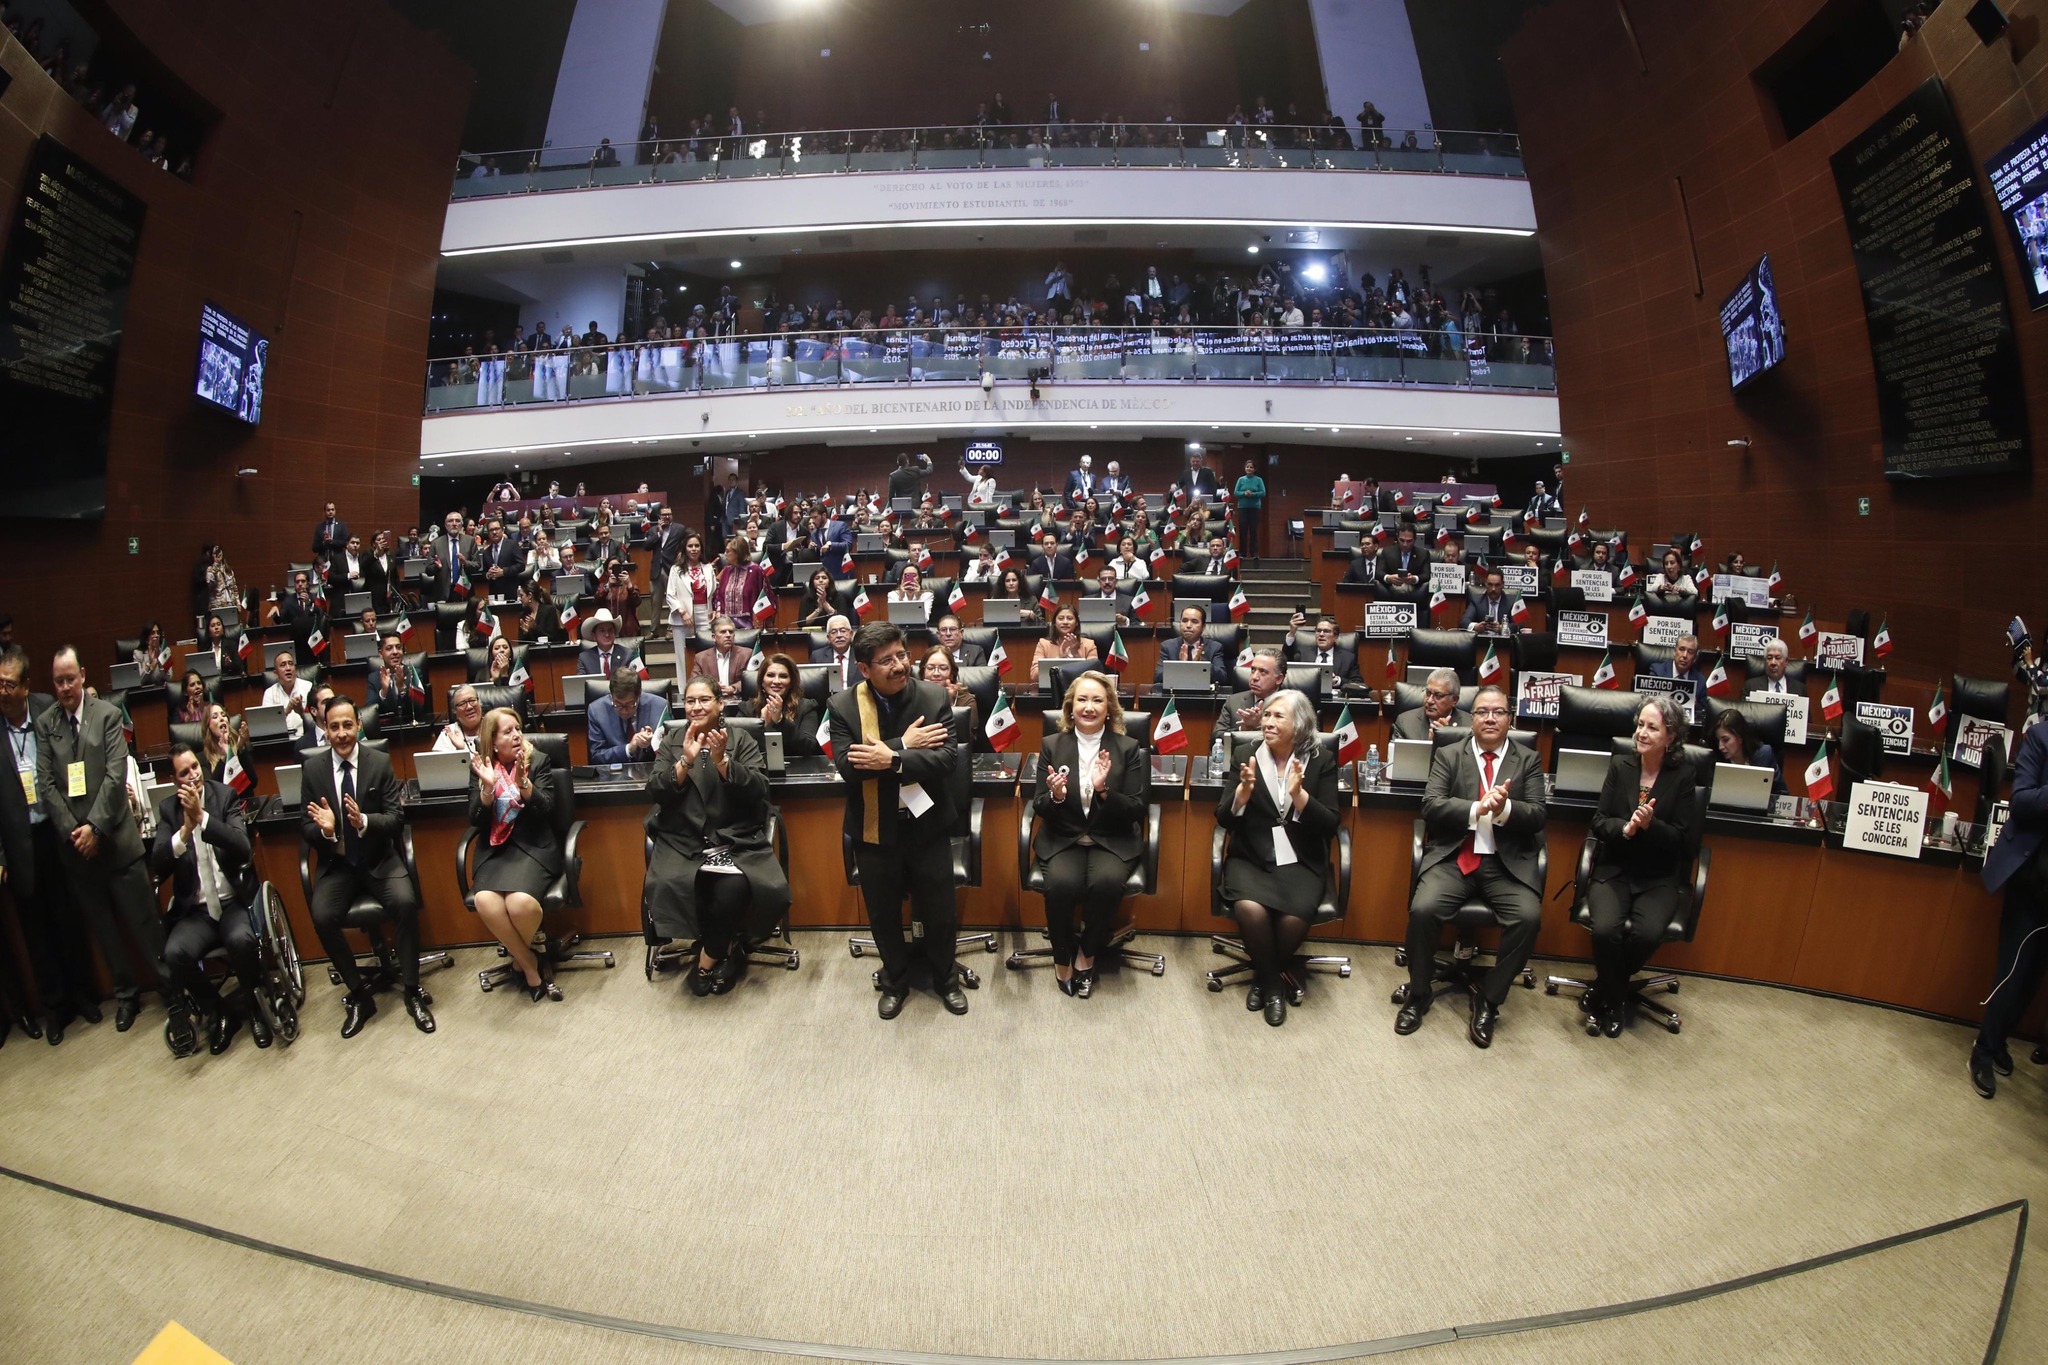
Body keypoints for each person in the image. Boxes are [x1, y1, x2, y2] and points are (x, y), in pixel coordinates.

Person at [1398, 684, 1546, 1048]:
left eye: (1498, 712)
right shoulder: (1450, 754)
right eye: (1482, 712)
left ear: (1510, 719)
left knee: (1528, 918)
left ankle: (1489, 1001)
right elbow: (1430, 806)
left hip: (1504, 863)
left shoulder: (1528, 760)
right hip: (1455, 856)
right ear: (1471, 718)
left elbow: (1539, 815)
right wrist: (1477, 808)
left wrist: (1504, 809)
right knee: (1424, 908)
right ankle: (1419, 993)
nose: (1490, 718)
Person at [829, 622, 965, 1018]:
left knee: (939, 912)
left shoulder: (933, 695)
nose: (899, 665)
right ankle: (895, 981)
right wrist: (905, 746)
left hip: (927, 824)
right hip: (874, 828)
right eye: (886, 660)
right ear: (864, 668)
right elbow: (848, 766)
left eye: (902, 655)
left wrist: (888, 759)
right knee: (884, 914)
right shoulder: (842, 706)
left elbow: (946, 760)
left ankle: (947, 980)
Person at [38, 646, 165, 1034]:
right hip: (79, 853)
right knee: (106, 932)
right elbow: (46, 785)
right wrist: (76, 834)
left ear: (82, 675)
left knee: (144, 923)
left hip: (117, 844)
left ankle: (172, 986)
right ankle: (127, 996)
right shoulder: (46, 724)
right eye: (58, 681)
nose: (64, 687)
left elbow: (115, 777)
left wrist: (95, 828)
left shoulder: (107, 715)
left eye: (70, 679)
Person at [646, 676, 792, 996]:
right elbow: (655, 790)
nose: (696, 707)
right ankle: (729, 953)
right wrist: (684, 761)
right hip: (684, 841)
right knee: (668, 883)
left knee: (735, 887)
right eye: (690, 701)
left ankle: (707, 961)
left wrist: (722, 760)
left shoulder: (740, 738)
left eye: (703, 700)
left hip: (734, 839)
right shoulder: (672, 740)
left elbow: (758, 790)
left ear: (720, 703)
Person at [299, 696, 433, 1038]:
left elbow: (395, 819)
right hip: (338, 865)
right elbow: (305, 827)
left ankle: (412, 989)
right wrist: (325, 830)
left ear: (359, 725)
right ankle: (359, 995)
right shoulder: (313, 770)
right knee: (321, 917)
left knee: (405, 904)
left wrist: (362, 823)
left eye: (347, 725)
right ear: (324, 730)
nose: (342, 733)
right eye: (334, 727)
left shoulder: (379, 763)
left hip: (378, 860)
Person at [1215, 688, 1342, 1026]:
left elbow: (1330, 824)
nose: (1267, 722)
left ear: (1299, 725)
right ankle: (1273, 986)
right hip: (1252, 856)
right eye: (1266, 715)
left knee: (1292, 919)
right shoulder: (1246, 752)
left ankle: (1261, 977)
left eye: (1277, 716)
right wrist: (1241, 795)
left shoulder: (1321, 760)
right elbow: (1224, 818)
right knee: (1249, 908)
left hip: (1302, 858)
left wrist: (1299, 796)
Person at [1584, 695, 1700, 1037]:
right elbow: (1598, 821)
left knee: (1647, 934)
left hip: (1658, 877)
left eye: (1652, 727)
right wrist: (1626, 829)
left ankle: (1605, 990)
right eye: (1640, 725)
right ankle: (1617, 999)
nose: (1642, 733)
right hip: (1614, 869)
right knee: (1605, 930)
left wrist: (1651, 827)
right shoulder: (1621, 766)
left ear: (1671, 736)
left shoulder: (1684, 777)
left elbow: (1685, 842)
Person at [0, 646, 99, 1045]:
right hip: (19, 844)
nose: (1, 691)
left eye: (8, 684)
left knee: (68, 918)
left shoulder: (47, 710)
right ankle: (55, 1009)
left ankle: (84, 996)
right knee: (36, 930)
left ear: (25, 686)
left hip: (57, 832)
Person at [1030, 671, 1146, 998]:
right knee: (1061, 885)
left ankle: (1088, 953)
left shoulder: (1127, 747)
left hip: (1111, 839)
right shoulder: (1052, 745)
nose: (1089, 707)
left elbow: (1137, 808)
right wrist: (1054, 796)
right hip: (1063, 837)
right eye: (1082, 699)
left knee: (1106, 883)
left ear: (1109, 707)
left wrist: (1104, 790)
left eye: (1097, 700)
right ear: (1070, 707)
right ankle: (1061, 955)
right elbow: (1039, 805)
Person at [150, 744, 267, 1056]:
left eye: (195, 768)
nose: (193, 776)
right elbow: (158, 862)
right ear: (175, 780)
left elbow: (242, 847)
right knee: (175, 953)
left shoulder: (223, 796)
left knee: (242, 941)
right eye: (184, 773)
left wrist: (202, 819)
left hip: (232, 903)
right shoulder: (168, 811)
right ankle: (219, 1011)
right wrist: (184, 832)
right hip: (197, 912)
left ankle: (256, 1009)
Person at [464, 707, 564, 1002]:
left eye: (518, 729)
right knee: (485, 900)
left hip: (534, 847)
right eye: (508, 732)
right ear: (493, 742)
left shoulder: (539, 760)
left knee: (520, 905)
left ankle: (520, 962)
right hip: (495, 850)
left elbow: (547, 808)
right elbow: (475, 819)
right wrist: (486, 788)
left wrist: (524, 783)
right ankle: (531, 963)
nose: (517, 735)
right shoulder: (481, 766)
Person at [1971, 719, 2048, 1098]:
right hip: (2032, 876)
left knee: (2035, 977)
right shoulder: (2041, 736)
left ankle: (2000, 1041)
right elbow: (2022, 801)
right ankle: (1983, 1050)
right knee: (2014, 971)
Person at [747, 652, 823, 757]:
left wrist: (781, 721)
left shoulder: (806, 707)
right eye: (770, 675)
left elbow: (809, 748)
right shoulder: (747, 708)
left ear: (791, 682)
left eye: (783, 676)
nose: (777, 681)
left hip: (797, 769)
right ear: (762, 681)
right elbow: (742, 749)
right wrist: (762, 726)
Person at [1709, 709, 1783, 795]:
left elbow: (1781, 794)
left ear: (1740, 737)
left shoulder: (1764, 755)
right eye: (1718, 741)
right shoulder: (1714, 760)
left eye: (1726, 740)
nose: (1720, 747)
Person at [1156, 604, 1229, 688]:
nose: (1188, 625)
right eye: (1184, 620)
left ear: (1203, 627)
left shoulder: (1214, 647)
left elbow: (1223, 678)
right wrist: (1180, 665)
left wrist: (1201, 664)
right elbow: (1157, 678)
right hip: (1176, 694)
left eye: (1194, 621)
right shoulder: (1168, 646)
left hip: (1204, 696)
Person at [366, 632, 426, 727]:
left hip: (411, 728)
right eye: (389, 648)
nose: (395, 652)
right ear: (381, 653)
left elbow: (419, 709)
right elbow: (370, 713)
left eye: (398, 647)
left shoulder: (413, 673)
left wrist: (402, 688)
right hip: (387, 731)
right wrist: (384, 692)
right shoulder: (373, 678)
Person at [1394, 667, 1470, 740]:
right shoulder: (1405, 722)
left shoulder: (1469, 726)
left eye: (1438, 695)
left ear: (1454, 700)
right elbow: (1398, 753)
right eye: (1428, 693)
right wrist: (1430, 745)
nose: (1430, 701)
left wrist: (1447, 737)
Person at [665, 531, 715, 641]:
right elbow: (670, 595)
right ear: (685, 549)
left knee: (705, 654)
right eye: (690, 546)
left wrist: (715, 609)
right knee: (683, 655)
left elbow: (714, 593)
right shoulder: (676, 569)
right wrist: (682, 612)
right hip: (682, 617)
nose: (694, 549)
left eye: (697, 546)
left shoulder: (708, 568)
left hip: (705, 616)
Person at [690, 614, 753, 700]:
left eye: (731, 632)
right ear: (713, 637)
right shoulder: (701, 658)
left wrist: (732, 688)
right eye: (723, 632)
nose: (728, 635)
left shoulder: (747, 654)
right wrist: (712, 687)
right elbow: (694, 682)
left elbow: (753, 680)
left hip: (738, 703)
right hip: (711, 702)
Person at [1286, 616, 1360, 689]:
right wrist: (1292, 633)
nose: (1321, 634)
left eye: (1326, 631)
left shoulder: (1348, 658)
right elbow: (1286, 662)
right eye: (1318, 631)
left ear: (1335, 637)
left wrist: (1337, 681)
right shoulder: (1302, 653)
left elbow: (1357, 683)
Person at [918, 647, 978, 734]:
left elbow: (966, 738)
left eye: (943, 668)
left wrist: (949, 703)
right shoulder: (912, 696)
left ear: (952, 674)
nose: (936, 673)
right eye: (930, 668)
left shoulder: (967, 702)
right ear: (923, 673)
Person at [262, 648, 313, 742]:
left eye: (291, 663)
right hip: (280, 741)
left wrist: (301, 712)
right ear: (276, 673)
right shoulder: (269, 693)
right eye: (283, 665)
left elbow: (317, 720)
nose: (288, 668)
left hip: (305, 738)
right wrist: (286, 711)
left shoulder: (308, 687)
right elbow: (268, 726)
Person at [1648, 634, 1708, 707]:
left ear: (1695, 658)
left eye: (1690, 652)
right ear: (1674, 652)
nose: (1685, 655)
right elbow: (1649, 701)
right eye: (1682, 649)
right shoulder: (1657, 671)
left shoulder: (1700, 681)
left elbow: (1703, 711)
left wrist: (1695, 705)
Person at [577, 608, 640, 677]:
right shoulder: (585, 658)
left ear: (615, 633)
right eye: (602, 631)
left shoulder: (628, 655)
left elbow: (639, 682)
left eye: (610, 630)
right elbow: (581, 685)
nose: (607, 635)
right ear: (594, 635)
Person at [1033, 605, 1098, 666]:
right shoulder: (1043, 644)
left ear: (1076, 623)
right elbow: (1034, 674)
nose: (1065, 622)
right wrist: (1058, 659)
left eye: (1069, 618)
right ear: (1055, 623)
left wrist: (1076, 654)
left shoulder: (1089, 645)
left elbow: (1094, 673)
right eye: (1061, 618)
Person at [433, 685, 487, 754]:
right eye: (462, 704)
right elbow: (438, 763)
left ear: (479, 703)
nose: (469, 707)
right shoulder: (448, 733)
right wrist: (460, 750)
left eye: (472, 700)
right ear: (455, 711)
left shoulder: (495, 727)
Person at [811, 614, 859, 689]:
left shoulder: (860, 655)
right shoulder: (817, 657)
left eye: (843, 631)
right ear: (828, 638)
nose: (839, 635)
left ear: (851, 634)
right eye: (833, 632)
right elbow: (813, 686)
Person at [1377, 525, 1427, 595]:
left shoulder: (1423, 554)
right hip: (1391, 593)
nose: (1405, 544)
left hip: (1414, 593)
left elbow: (1426, 575)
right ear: (1397, 538)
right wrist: (1389, 578)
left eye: (1409, 541)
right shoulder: (1387, 552)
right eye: (1402, 540)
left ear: (1415, 540)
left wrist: (1414, 579)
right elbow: (1379, 572)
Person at [1233, 458, 1267, 560]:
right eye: (1247, 467)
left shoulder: (1258, 480)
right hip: (1243, 507)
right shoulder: (1241, 479)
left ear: (1254, 469)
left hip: (1255, 508)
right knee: (1243, 530)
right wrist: (1244, 493)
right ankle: (1242, 553)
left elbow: (1263, 493)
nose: (1249, 469)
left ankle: (1254, 553)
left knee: (1253, 531)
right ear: (1245, 468)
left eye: (1251, 467)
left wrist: (1253, 494)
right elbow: (1235, 492)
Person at [199, 614, 243, 679]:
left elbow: (240, 668)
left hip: (228, 681)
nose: (216, 627)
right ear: (208, 631)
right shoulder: (205, 649)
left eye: (219, 624)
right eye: (213, 626)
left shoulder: (232, 645)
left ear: (223, 628)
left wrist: (230, 664)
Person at [131, 622, 171, 688]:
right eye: (153, 633)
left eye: (158, 632)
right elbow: (139, 680)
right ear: (146, 637)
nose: (156, 635)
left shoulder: (165, 651)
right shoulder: (138, 653)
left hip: (162, 690)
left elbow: (169, 678)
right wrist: (150, 663)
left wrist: (160, 661)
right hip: (145, 692)